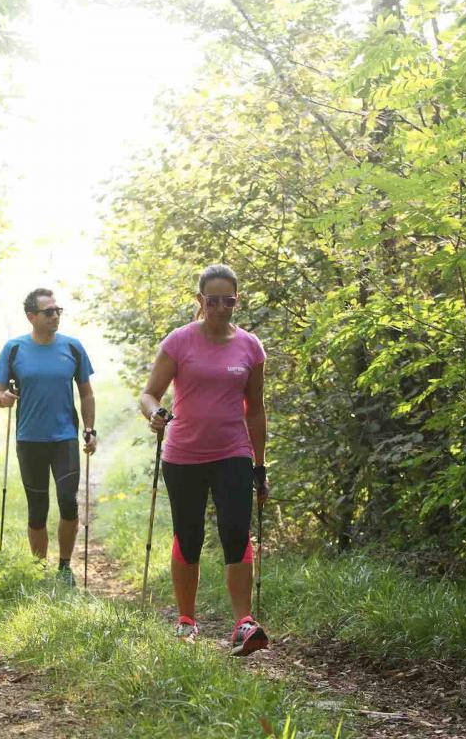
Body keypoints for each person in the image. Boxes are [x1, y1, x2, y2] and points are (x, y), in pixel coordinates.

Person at [138, 264, 270, 656]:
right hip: (184, 454)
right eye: (211, 301)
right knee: (189, 534)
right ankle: (186, 621)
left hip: (233, 451)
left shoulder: (250, 346)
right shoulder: (180, 342)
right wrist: (154, 415)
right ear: (200, 301)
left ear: (236, 300)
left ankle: (243, 623)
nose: (219, 308)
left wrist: (260, 466)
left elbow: (256, 410)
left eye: (227, 301)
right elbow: (148, 394)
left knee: (235, 530)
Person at [0, 288, 97, 586]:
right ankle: (39, 570)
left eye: (58, 310)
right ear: (31, 316)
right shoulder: (14, 349)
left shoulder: (73, 347)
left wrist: (89, 429)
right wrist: (6, 398)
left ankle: (64, 567)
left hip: (64, 438)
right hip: (29, 440)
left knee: (68, 501)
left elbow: (86, 393)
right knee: (37, 508)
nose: (55, 316)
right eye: (48, 311)